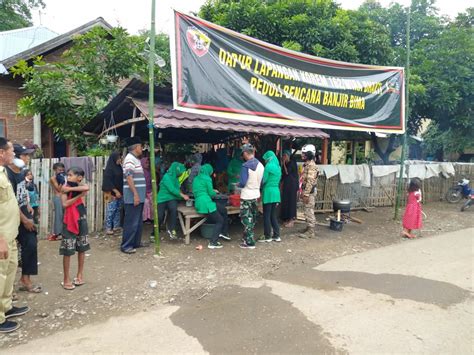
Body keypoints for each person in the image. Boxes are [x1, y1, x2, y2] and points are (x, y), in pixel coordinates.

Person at [0, 138, 29, 333]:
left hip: (10, 234)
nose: (14, 154)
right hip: (2, 237)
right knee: (0, 275)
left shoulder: (2, 173)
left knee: (9, 272)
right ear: (1, 153)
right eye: (11, 150)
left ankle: (6, 307)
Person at [6, 144, 41, 294]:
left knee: (31, 245)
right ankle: (7, 289)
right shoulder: (6, 174)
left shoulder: (20, 173)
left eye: (28, 155)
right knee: (8, 253)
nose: (27, 158)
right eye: (24, 155)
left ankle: (24, 279)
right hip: (11, 217)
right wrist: (24, 220)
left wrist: (27, 205)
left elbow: (22, 192)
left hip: (23, 213)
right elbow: (10, 201)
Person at [60, 167, 90, 290]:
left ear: (79, 177)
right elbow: (65, 204)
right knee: (68, 250)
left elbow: (86, 188)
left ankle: (79, 274)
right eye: (68, 175)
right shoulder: (64, 188)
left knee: (81, 248)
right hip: (69, 220)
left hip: (81, 218)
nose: (68, 177)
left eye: (71, 175)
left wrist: (71, 189)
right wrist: (79, 196)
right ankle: (66, 278)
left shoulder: (77, 186)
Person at [193, 164, 230, 249]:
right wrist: (215, 191)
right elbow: (210, 193)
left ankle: (224, 232)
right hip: (206, 203)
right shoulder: (207, 178)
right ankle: (213, 242)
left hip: (198, 202)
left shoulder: (196, 178)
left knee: (223, 210)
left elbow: (200, 190)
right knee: (219, 220)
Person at [121, 137, 146, 254]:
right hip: (132, 197)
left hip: (138, 196)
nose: (142, 149)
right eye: (141, 146)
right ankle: (126, 245)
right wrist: (135, 194)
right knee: (131, 222)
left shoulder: (135, 159)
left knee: (138, 221)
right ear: (136, 147)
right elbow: (129, 176)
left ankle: (135, 242)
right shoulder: (130, 159)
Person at [238, 144, 264, 249]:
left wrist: (238, 184)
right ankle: (247, 238)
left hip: (246, 195)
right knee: (252, 218)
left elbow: (243, 183)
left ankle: (250, 242)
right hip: (256, 194)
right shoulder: (261, 165)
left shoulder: (245, 166)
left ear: (245, 153)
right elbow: (262, 182)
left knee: (246, 219)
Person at [157, 162, 190, 240]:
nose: (181, 174)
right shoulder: (166, 177)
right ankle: (154, 232)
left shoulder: (175, 178)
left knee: (173, 209)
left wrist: (183, 196)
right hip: (162, 198)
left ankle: (172, 230)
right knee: (160, 216)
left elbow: (177, 189)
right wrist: (183, 196)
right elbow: (172, 189)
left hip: (172, 198)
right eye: (180, 172)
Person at [258, 151, 282, 243]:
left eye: (266, 159)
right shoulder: (278, 167)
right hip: (276, 192)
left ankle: (267, 235)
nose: (265, 161)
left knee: (266, 215)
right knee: (273, 215)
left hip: (268, 192)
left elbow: (264, 180)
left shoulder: (268, 167)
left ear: (268, 158)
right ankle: (276, 235)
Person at [299, 144, 319, 239]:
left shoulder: (311, 166)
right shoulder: (307, 164)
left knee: (309, 210)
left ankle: (311, 231)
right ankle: (308, 228)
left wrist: (306, 194)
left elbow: (310, 181)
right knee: (307, 210)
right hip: (307, 191)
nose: (302, 155)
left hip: (309, 192)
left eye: (304, 153)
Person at [102, 151, 123, 235]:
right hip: (111, 192)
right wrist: (115, 191)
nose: (120, 160)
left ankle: (116, 226)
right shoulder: (109, 169)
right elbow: (108, 182)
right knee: (111, 210)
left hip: (120, 192)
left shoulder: (119, 167)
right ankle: (108, 228)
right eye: (118, 158)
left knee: (118, 209)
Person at [280, 150, 298, 227]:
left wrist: (283, 163)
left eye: (285, 156)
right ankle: (286, 218)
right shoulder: (286, 164)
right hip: (286, 186)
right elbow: (283, 175)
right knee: (286, 201)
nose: (283, 158)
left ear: (288, 156)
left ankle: (291, 219)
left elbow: (287, 172)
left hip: (292, 186)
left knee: (291, 202)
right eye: (283, 156)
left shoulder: (292, 163)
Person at [49, 162, 66, 241]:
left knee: (65, 215)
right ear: (55, 170)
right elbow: (58, 189)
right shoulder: (53, 178)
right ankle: (58, 233)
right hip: (58, 198)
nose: (61, 171)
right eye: (59, 170)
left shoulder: (64, 176)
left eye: (62, 170)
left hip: (65, 197)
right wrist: (62, 182)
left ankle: (65, 232)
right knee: (59, 215)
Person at [141, 157, 153, 223]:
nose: (148, 164)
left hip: (150, 191)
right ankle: (145, 219)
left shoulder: (149, 172)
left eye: (148, 163)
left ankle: (151, 218)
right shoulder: (141, 173)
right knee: (146, 204)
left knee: (152, 203)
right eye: (146, 163)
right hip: (143, 192)